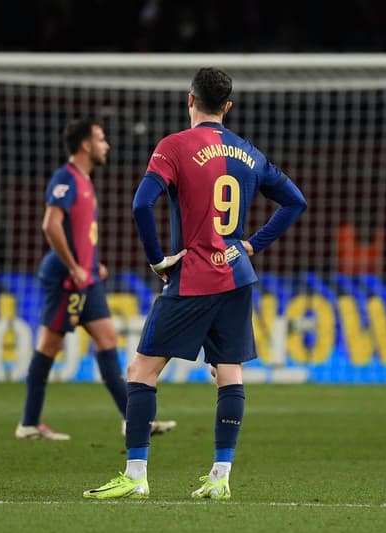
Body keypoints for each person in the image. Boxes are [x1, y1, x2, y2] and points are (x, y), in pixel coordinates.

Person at [83, 67, 307, 500]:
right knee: (229, 373)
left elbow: (141, 203)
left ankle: (136, 475)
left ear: (190, 100)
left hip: (194, 275)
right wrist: (253, 245)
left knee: (141, 370)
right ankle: (220, 477)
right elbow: (294, 201)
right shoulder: (249, 152)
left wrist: (156, 259)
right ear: (228, 106)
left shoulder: (173, 147)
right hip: (238, 274)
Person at [15, 118, 176, 441]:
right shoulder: (66, 178)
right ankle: (29, 423)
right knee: (49, 346)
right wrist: (74, 266)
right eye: (101, 140)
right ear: (86, 145)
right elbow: (51, 225)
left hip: (87, 279)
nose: (107, 146)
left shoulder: (84, 181)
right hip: (66, 280)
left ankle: (132, 419)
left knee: (107, 341)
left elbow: (79, 233)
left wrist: (91, 265)